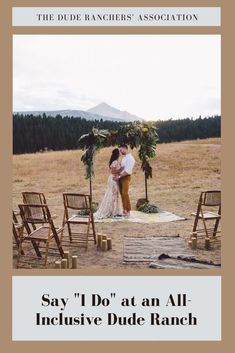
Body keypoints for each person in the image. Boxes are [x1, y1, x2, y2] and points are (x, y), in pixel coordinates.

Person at [94, 148, 123, 219]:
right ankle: (112, 211)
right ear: (117, 154)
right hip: (113, 178)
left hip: (113, 178)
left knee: (114, 194)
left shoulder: (113, 161)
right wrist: (120, 170)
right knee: (113, 194)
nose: (120, 154)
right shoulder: (115, 162)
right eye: (119, 153)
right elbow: (113, 171)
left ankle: (115, 210)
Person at [113, 144, 135, 217]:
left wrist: (119, 176)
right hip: (120, 177)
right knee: (122, 194)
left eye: (121, 149)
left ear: (125, 148)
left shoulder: (130, 159)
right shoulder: (124, 158)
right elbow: (122, 168)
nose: (120, 151)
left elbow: (127, 171)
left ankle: (128, 210)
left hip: (125, 177)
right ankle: (124, 210)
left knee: (125, 193)